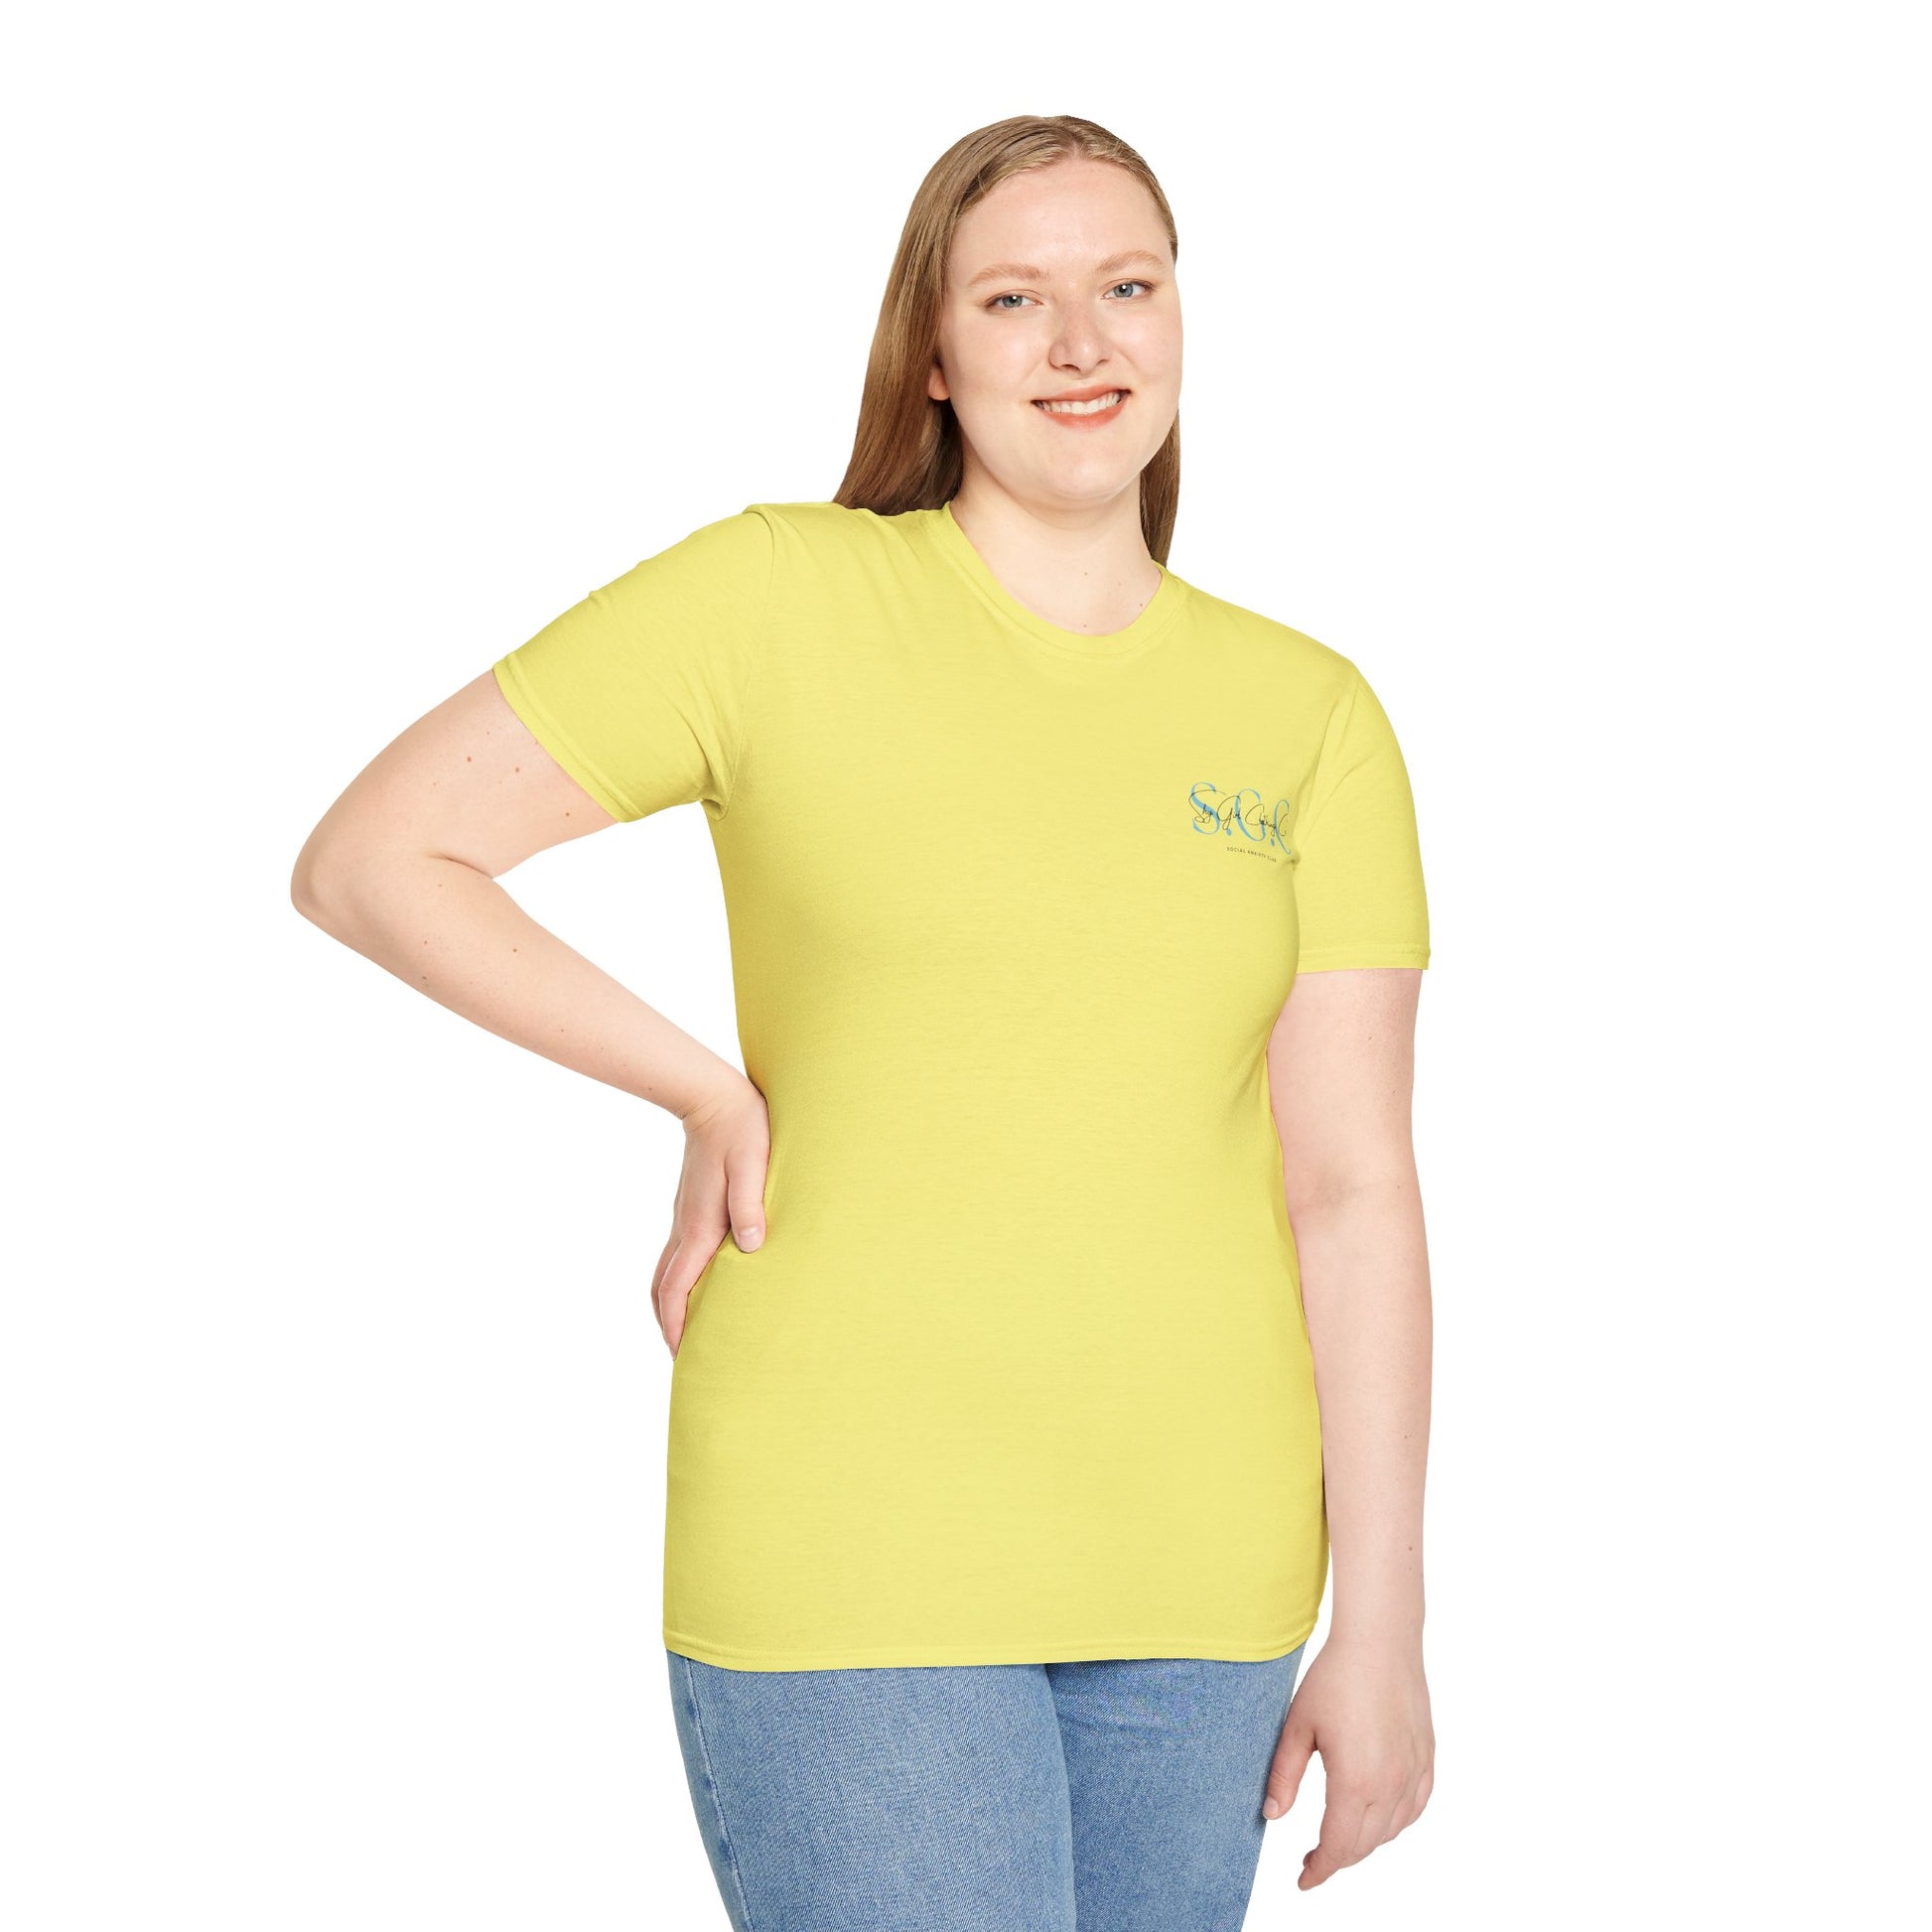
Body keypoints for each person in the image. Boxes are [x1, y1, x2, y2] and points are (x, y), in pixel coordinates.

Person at [293, 113, 1436, 1931]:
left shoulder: (1308, 712)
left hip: (1202, 1579)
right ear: (934, 354)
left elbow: (1349, 1187)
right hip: (853, 1544)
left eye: (1127, 286)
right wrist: (701, 1090)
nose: (1081, 341)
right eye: (1014, 298)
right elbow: (375, 857)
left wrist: (1383, 1623)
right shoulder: (778, 596)